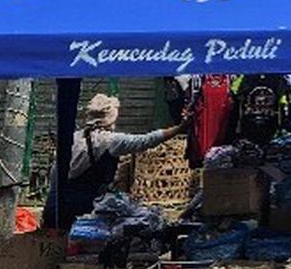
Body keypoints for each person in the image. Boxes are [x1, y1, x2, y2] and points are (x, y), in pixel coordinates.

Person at [42, 93, 189, 230]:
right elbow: (146, 140)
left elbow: (54, 175)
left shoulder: (72, 138)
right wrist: (180, 128)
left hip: (54, 210)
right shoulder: (109, 141)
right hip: (81, 214)